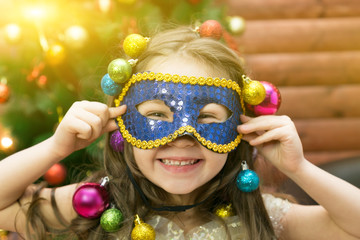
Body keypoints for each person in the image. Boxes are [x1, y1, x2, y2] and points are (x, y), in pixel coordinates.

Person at [0, 24, 360, 240]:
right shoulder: (95, 206)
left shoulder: (264, 216)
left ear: (240, 130)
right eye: (157, 114)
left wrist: (300, 169)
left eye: (207, 118)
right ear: (123, 124)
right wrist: (53, 148)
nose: (183, 136)